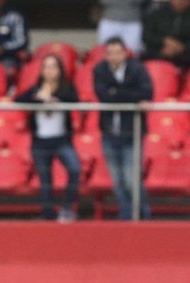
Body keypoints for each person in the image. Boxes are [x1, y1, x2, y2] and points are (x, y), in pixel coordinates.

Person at [14, 55, 82, 222]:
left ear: (60, 70)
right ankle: (48, 213)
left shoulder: (66, 88)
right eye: (46, 67)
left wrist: (56, 100)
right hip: (40, 141)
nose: (50, 70)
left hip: (62, 140)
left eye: (53, 67)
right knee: (45, 179)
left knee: (75, 169)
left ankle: (67, 207)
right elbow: (18, 100)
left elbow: (75, 100)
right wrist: (38, 99)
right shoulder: (36, 89)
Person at [93, 37, 153, 220]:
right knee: (117, 181)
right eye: (109, 53)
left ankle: (143, 215)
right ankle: (126, 216)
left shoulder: (137, 69)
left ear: (125, 53)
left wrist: (116, 93)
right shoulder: (100, 69)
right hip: (110, 133)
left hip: (132, 133)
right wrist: (130, 96)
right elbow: (103, 95)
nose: (113, 56)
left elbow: (147, 92)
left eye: (117, 52)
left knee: (131, 179)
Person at [142, 0, 190, 67]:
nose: (181, 2)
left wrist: (181, 47)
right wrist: (164, 41)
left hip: (185, 58)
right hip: (157, 56)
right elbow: (147, 36)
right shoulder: (156, 14)